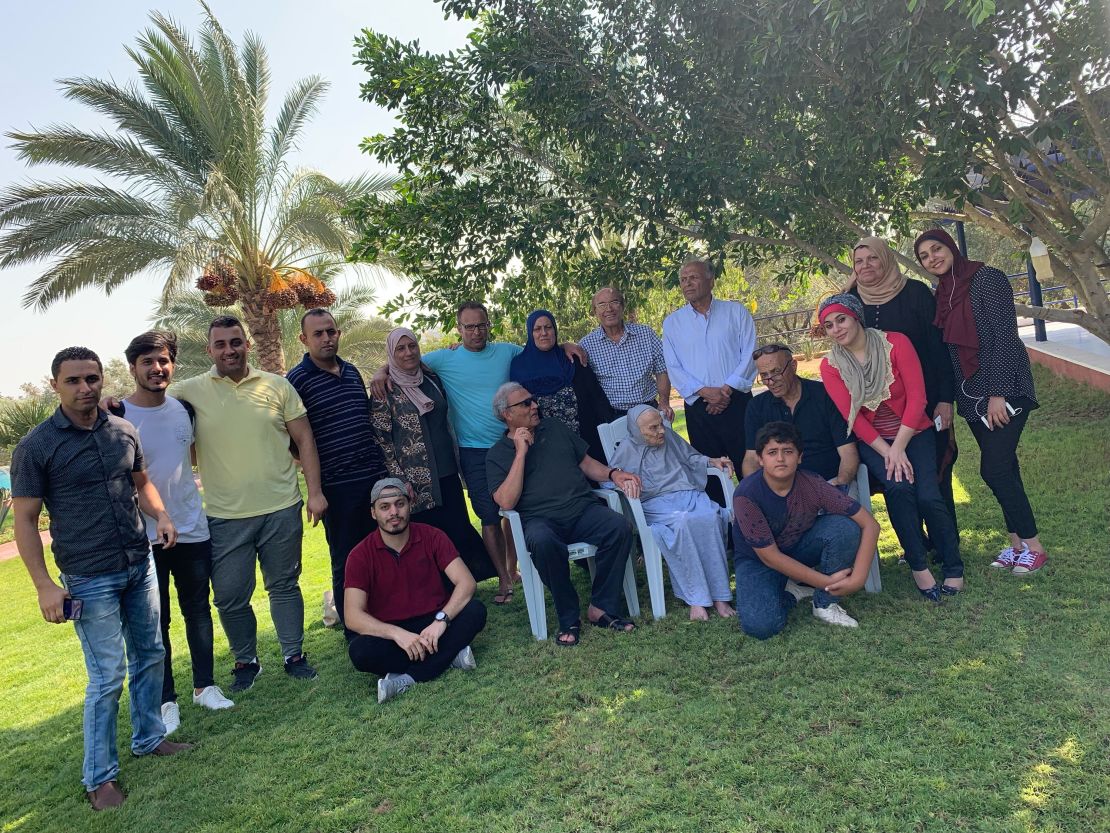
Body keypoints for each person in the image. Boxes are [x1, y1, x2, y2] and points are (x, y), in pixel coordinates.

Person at [11, 347, 191, 811]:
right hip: (88, 576)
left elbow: (141, 482)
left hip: (138, 561)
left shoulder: (123, 430)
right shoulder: (36, 447)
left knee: (151, 652)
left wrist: (162, 515)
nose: (85, 387)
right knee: (108, 675)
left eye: (91, 378)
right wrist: (45, 586)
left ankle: (150, 737)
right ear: (55, 385)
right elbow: (27, 521)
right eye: (73, 380)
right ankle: (99, 778)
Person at [371, 301, 586, 606]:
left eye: (481, 324)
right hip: (474, 452)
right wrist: (381, 370)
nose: (476, 331)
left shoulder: (505, 351)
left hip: (511, 444)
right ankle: (503, 578)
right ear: (458, 329)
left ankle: (515, 569)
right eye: (469, 326)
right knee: (488, 516)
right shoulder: (444, 359)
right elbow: (406, 360)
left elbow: (537, 344)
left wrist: (566, 343)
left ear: (489, 324)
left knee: (514, 509)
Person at [172, 316, 325, 690]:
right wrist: (115, 403)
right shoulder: (187, 392)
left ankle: (294, 655)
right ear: (209, 350)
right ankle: (246, 660)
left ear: (247, 345)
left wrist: (316, 493)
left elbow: (304, 440)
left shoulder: (277, 386)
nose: (230, 350)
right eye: (221, 344)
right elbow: (145, 401)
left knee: (285, 584)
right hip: (224, 516)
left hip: (281, 506)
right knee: (228, 596)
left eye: (236, 342)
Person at [118, 331, 234, 736]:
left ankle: (206, 686)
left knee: (199, 612)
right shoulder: (116, 414)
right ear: (132, 367)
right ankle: (167, 701)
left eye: (164, 360)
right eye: (148, 362)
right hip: (142, 536)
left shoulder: (185, 409)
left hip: (191, 527)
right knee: (156, 621)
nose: (157, 368)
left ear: (173, 364)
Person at [914, 227, 1048, 573]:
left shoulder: (986, 278)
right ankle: (1017, 544)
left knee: (995, 468)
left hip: (1005, 390)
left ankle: (1034, 546)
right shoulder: (941, 293)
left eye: (936, 249)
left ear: (950, 246)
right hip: (971, 396)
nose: (932, 258)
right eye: (924, 256)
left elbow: (1005, 336)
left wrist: (998, 394)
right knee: (1007, 469)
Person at [818, 294, 964, 599]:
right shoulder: (831, 366)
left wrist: (899, 447)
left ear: (856, 316)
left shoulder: (896, 344)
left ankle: (953, 565)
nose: (836, 328)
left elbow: (918, 399)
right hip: (875, 442)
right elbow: (853, 417)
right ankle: (918, 566)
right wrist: (888, 453)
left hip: (914, 432)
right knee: (898, 490)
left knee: (928, 495)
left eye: (841, 319)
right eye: (829, 325)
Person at [486, 382, 641, 646]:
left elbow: (586, 463)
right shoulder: (497, 454)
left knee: (619, 527)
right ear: (506, 415)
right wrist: (521, 453)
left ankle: (601, 607)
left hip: (581, 510)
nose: (535, 405)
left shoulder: (555, 428)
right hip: (540, 521)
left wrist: (613, 474)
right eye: (525, 403)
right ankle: (568, 616)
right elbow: (506, 501)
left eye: (533, 400)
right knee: (543, 543)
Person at [286, 308, 388, 630]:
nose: (327, 338)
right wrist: (315, 489)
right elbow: (293, 439)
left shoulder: (352, 371)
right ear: (304, 339)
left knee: (382, 551)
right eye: (318, 334)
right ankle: (354, 628)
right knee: (347, 560)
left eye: (331, 331)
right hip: (338, 488)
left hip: (373, 479)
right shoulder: (296, 381)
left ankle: (385, 614)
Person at [344, 478, 488, 704]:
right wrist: (397, 634)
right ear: (373, 513)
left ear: (410, 505)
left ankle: (406, 679)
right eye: (385, 507)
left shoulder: (432, 536)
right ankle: (450, 657)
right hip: (393, 632)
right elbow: (353, 616)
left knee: (475, 611)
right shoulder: (360, 555)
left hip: (434, 624)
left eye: (400, 504)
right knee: (360, 651)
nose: (394, 512)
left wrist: (441, 621)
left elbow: (467, 583)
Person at [370, 327, 496, 583]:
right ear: (392, 354)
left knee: (457, 529)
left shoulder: (431, 379)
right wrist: (398, 480)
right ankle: (436, 590)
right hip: (414, 479)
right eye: (400, 349)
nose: (408, 353)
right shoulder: (385, 390)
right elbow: (381, 440)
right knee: (426, 536)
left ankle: (464, 583)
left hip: (446, 470)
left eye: (412, 346)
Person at [732, 422, 881, 638]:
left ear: (800, 457)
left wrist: (857, 579)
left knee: (845, 527)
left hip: (798, 546)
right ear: (760, 459)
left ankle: (825, 604)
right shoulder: (746, 494)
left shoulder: (812, 484)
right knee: (761, 627)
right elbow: (770, 557)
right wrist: (827, 582)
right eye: (772, 452)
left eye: (788, 451)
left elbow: (870, 524)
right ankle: (792, 592)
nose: (781, 458)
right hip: (757, 559)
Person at [846, 236, 958, 518]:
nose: (865, 265)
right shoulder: (852, 301)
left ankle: (945, 545)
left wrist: (945, 399)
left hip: (925, 400)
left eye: (872, 258)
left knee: (935, 473)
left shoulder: (916, 293)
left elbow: (939, 348)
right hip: (879, 409)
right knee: (897, 479)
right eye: (859, 261)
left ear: (885, 258)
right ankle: (915, 546)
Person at [608, 405, 735, 621]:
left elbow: (691, 458)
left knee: (710, 517)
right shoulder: (626, 450)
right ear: (638, 431)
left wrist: (710, 461)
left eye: (660, 425)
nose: (661, 431)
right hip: (655, 504)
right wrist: (623, 481)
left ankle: (720, 596)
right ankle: (697, 598)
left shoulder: (669, 438)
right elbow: (611, 479)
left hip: (687, 493)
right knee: (682, 523)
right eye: (653, 428)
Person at [662, 257, 757, 502]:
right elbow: (673, 367)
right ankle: (724, 535)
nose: (687, 284)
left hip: (738, 404)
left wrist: (725, 391)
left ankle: (761, 525)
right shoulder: (673, 323)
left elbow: (750, 353)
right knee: (712, 475)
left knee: (752, 468)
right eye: (683, 280)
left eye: (693, 277)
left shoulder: (736, 312)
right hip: (699, 409)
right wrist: (705, 392)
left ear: (710, 280)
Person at [741, 343, 859, 487]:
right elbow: (751, 459)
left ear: (793, 366)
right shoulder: (757, 406)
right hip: (781, 491)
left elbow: (848, 451)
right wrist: (759, 492)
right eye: (764, 376)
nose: (770, 381)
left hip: (829, 483)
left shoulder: (824, 395)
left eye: (776, 372)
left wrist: (840, 483)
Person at [510, 309, 615, 462]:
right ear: (530, 333)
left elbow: (596, 397)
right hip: (544, 449)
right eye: (537, 329)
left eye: (548, 327)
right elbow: (517, 409)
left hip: (587, 444)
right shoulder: (519, 367)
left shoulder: (573, 359)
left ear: (555, 330)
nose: (544, 333)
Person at [579, 287, 674, 420]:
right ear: (595, 311)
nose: (609, 309)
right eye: (601, 305)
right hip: (612, 416)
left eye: (614, 302)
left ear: (623, 306)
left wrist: (664, 402)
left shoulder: (646, 334)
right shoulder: (586, 345)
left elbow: (662, 369)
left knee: (659, 440)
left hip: (649, 410)